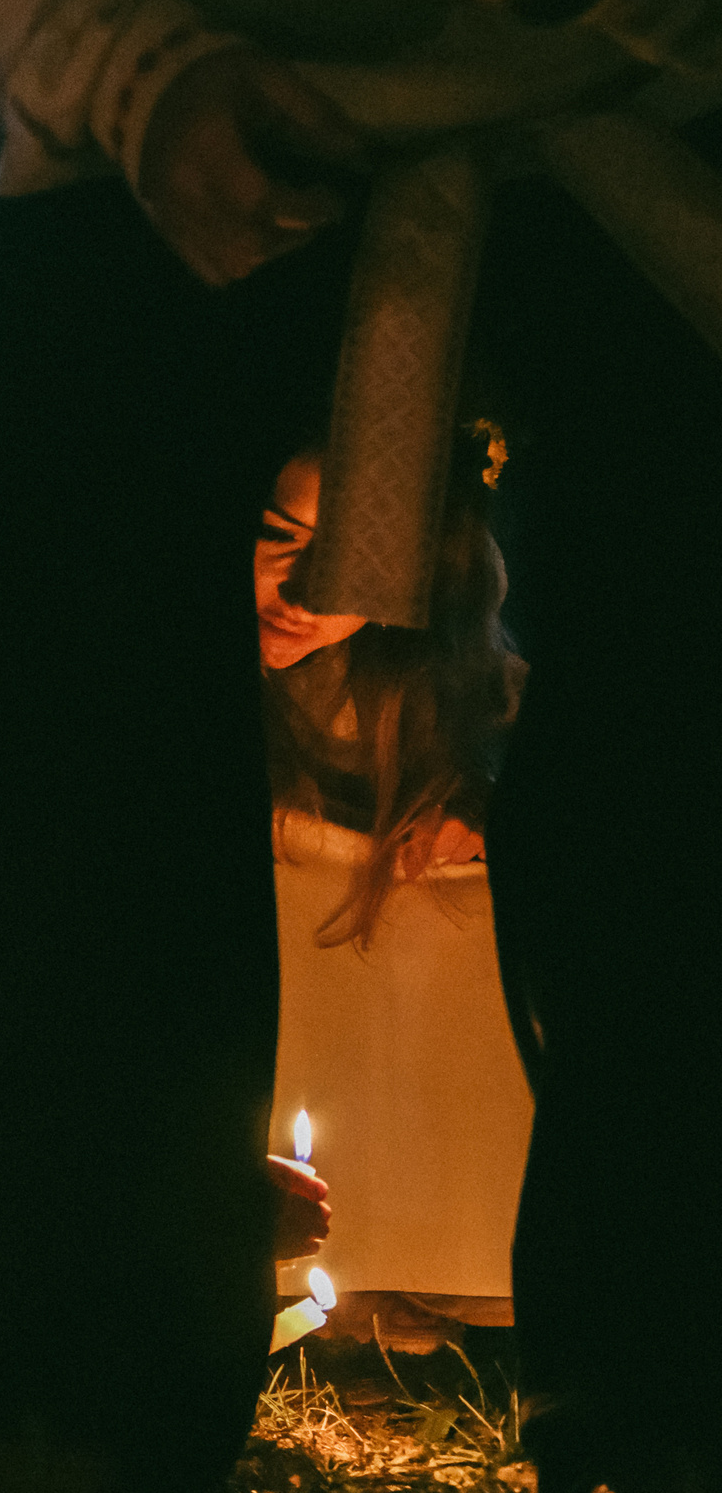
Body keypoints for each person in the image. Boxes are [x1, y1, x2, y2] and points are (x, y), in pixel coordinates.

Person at [0, 0, 722, 1493]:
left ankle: (671, 1392)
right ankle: (90, 1395)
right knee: (86, 699)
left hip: (646, 85)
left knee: (680, 716)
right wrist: (126, 66)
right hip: (151, 90)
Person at [255, 440, 531, 1352]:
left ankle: (420, 1266)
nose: (306, 592)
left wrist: (485, 816)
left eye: (350, 558)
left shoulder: (455, 697)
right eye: (273, 535)